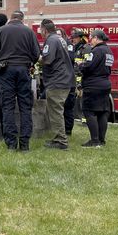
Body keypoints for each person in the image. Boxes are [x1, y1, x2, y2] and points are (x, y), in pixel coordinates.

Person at [0, 11, 40, 151]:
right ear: (22, 19)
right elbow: (36, 54)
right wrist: (28, 63)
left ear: (10, 18)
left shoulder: (1, 31)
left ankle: (11, 143)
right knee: (25, 107)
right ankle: (24, 144)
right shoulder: (29, 32)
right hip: (23, 69)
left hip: (5, 71)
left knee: (7, 106)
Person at [38, 19, 75, 150]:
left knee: (55, 111)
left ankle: (61, 141)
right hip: (65, 79)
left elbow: (47, 59)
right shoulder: (60, 39)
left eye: (40, 30)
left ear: (44, 30)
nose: (40, 32)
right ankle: (57, 139)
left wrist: (37, 59)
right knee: (56, 111)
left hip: (57, 81)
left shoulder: (51, 40)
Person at [79, 29, 114, 147]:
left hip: (93, 84)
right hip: (105, 83)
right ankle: (101, 140)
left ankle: (94, 141)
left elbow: (88, 66)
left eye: (91, 38)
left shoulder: (97, 51)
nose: (90, 41)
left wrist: (81, 65)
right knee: (102, 112)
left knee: (89, 112)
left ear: (96, 38)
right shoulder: (108, 50)